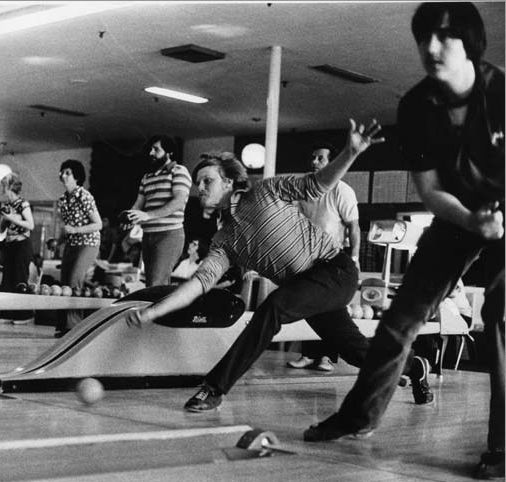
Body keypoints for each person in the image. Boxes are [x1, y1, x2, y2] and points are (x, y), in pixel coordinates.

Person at [303, 3, 504, 481]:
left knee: (500, 315)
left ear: (471, 42)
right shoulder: (415, 107)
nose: (431, 48)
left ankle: (503, 446)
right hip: (459, 214)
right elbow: (431, 191)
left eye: (445, 36)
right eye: (423, 37)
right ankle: (358, 416)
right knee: (399, 320)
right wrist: (471, 219)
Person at [127, 119, 433, 414]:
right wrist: (154, 311)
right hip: (305, 287)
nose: (201, 188)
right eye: (198, 184)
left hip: (334, 271)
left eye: (208, 181)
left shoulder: (266, 191)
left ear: (228, 182)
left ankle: (214, 388)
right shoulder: (224, 240)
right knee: (357, 352)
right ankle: (414, 366)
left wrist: (350, 152)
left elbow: (317, 184)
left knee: (272, 307)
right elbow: (199, 283)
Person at [288, 142, 361, 372]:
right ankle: (309, 354)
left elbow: (354, 227)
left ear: (333, 162)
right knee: (309, 305)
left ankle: (327, 357)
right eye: (313, 157)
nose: (314, 162)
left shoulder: (343, 190)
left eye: (320, 158)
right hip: (307, 257)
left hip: (333, 259)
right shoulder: (305, 189)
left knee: (330, 307)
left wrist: (355, 258)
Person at [126, 135, 192, 287]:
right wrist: (129, 217)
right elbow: (138, 204)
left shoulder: (179, 171)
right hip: (148, 235)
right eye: (151, 149)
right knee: (151, 284)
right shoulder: (147, 177)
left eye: (156, 149)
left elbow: (178, 202)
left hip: (169, 234)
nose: (151, 153)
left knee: (157, 283)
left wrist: (148, 215)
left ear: (169, 152)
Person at [55, 160, 102, 338]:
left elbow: (98, 224)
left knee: (74, 280)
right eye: (62, 172)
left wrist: (75, 230)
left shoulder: (84, 195)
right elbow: (66, 228)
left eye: (67, 172)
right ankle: (62, 324)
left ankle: (73, 327)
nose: (63, 175)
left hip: (89, 243)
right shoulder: (62, 200)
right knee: (64, 283)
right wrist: (57, 242)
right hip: (72, 243)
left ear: (77, 177)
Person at [0, 172, 35, 324]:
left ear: (10, 186)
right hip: (10, 245)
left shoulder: (23, 204)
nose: (2, 189)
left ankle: (24, 314)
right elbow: (2, 229)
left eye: (4, 186)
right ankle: (7, 313)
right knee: (7, 279)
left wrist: (11, 217)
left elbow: (30, 225)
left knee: (20, 279)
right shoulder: (6, 206)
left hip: (22, 245)